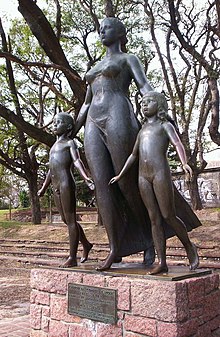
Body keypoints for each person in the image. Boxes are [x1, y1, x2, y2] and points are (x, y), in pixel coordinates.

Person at [74, 17, 201, 271]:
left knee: (127, 182)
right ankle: (114, 248)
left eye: (107, 27)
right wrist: (70, 132)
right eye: (100, 29)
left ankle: (148, 239)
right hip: (92, 122)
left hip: (118, 114)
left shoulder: (128, 59)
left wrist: (163, 114)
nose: (101, 31)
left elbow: (145, 87)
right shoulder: (94, 66)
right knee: (102, 185)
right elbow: (86, 104)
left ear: (121, 32)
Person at [110, 91, 199, 274]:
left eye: (149, 101)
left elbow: (177, 144)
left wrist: (184, 163)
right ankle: (162, 262)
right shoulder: (142, 131)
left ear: (159, 105)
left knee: (168, 215)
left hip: (160, 174)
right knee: (154, 219)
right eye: (142, 102)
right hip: (143, 177)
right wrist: (120, 175)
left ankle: (189, 246)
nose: (144, 105)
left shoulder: (165, 125)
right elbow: (134, 155)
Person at [38, 112, 94, 268]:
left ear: (68, 127)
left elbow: (77, 161)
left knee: (70, 220)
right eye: (54, 122)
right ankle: (86, 244)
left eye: (59, 122)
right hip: (55, 185)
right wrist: (43, 187)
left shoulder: (70, 143)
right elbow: (51, 169)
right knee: (66, 220)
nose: (54, 125)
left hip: (66, 183)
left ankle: (72, 257)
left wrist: (86, 178)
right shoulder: (53, 147)